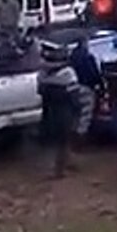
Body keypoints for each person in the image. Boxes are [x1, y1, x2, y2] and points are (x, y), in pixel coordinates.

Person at [37, 44, 81, 178]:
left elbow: (40, 92)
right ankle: (61, 169)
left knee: (53, 142)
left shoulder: (42, 75)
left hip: (49, 112)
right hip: (65, 111)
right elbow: (74, 94)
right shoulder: (68, 74)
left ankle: (55, 168)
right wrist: (77, 109)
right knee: (65, 140)